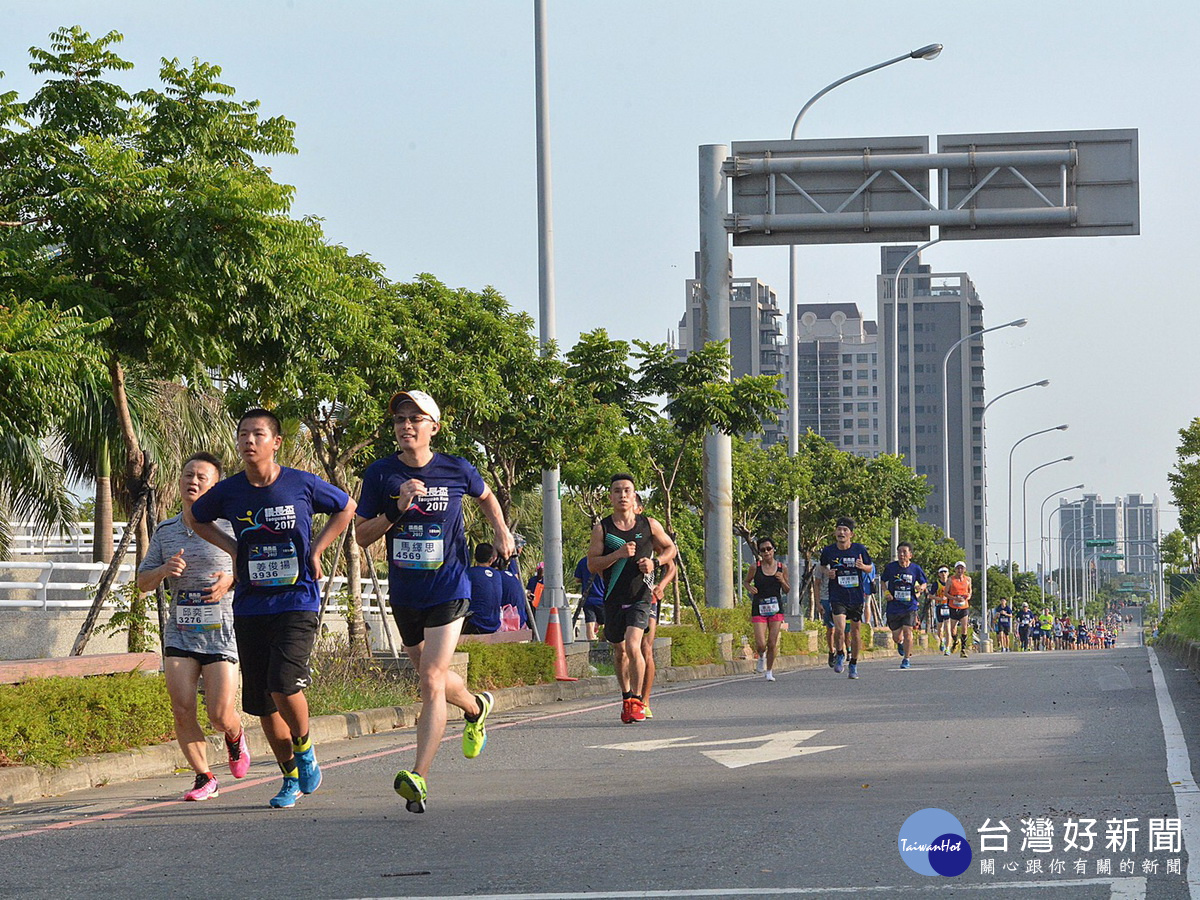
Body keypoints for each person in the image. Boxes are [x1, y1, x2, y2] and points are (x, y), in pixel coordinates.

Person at [355, 390, 514, 813]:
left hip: (449, 586)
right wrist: (397, 509)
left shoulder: (456, 468)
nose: (406, 426)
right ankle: (476, 706)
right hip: (406, 592)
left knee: (429, 679)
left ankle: (418, 777)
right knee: (435, 679)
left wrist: (501, 531)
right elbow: (362, 535)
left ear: (433, 427)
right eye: (399, 420)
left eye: (415, 418)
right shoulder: (380, 474)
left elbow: (485, 496)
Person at [192, 409, 355, 809]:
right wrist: (234, 549)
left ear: (275, 442)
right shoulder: (230, 491)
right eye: (243, 434)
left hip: (296, 599)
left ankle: (305, 749)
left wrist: (317, 549)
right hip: (250, 605)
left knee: (284, 681)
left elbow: (346, 506)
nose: (249, 441)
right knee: (265, 699)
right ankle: (289, 777)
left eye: (258, 434)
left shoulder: (300, 483)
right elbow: (195, 517)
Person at [137, 453, 247, 802]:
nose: (193, 482)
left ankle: (234, 734)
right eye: (188, 475)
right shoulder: (167, 531)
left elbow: (254, 570)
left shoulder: (231, 527)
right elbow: (142, 582)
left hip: (222, 632)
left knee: (218, 714)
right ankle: (204, 777)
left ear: (215, 486)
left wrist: (230, 580)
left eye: (202, 477)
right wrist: (163, 570)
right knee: (182, 707)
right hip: (180, 631)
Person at [587, 473, 675, 723]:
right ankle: (626, 696)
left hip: (641, 597)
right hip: (613, 597)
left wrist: (655, 562)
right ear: (610, 497)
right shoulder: (602, 528)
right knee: (619, 650)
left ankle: (637, 700)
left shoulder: (648, 525)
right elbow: (593, 564)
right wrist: (618, 554)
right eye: (617, 491)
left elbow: (671, 549)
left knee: (634, 643)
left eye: (627, 490)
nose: (622, 495)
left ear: (634, 495)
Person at [818, 517, 873, 680]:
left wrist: (863, 567)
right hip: (837, 595)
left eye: (845, 530)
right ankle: (840, 653)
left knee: (855, 631)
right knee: (840, 629)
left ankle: (854, 663)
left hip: (856, 596)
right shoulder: (829, 551)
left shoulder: (859, 550)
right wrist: (828, 572)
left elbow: (870, 568)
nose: (841, 533)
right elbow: (822, 566)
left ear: (851, 534)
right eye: (839, 529)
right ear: (835, 532)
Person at [745, 537, 790, 681]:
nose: (766, 552)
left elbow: (787, 590)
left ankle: (769, 671)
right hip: (759, 607)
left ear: (773, 550)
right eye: (763, 550)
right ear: (759, 552)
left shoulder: (782, 568)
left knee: (772, 642)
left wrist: (782, 580)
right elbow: (746, 581)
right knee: (761, 643)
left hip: (775, 608)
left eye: (769, 549)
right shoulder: (755, 567)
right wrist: (749, 588)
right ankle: (761, 656)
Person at [638, 552, 677, 717]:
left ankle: (644, 700)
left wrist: (660, 586)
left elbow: (671, 566)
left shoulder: (651, 532)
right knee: (624, 650)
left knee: (646, 648)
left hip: (648, 599)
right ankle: (630, 697)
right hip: (622, 598)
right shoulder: (615, 533)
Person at [880, 542, 926, 670]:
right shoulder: (891, 568)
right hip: (894, 606)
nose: (901, 555)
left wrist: (920, 588)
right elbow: (883, 581)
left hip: (909, 606)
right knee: (896, 636)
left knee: (908, 632)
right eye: (899, 552)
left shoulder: (915, 569)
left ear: (910, 555)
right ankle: (900, 643)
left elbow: (924, 583)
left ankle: (906, 659)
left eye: (904, 552)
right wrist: (886, 592)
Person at [463, 543, 503, 635]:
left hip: (474, 624)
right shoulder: (497, 575)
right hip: (494, 625)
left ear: (475, 556)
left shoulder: (468, 573)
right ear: (492, 559)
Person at [574, 554, 605, 641]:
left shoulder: (583, 561)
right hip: (602, 598)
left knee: (590, 623)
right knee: (604, 624)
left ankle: (591, 643)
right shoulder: (605, 561)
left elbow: (577, 579)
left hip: (588, 599)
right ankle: (603, 647)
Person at [946, 561, 973, 658]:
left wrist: (968, 596)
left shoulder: (968, 579)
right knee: (953, 628)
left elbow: (970, 591)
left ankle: (963, 649)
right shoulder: (950, 580)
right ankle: (955, 640)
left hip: (964, 606)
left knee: (964, 627)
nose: (960, 570)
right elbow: (946, 593)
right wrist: (954, 598)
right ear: (955, 569)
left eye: (962, 568)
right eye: (958, 568)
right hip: (953, 606)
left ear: (965, 570)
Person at [932, 566, 953, 655]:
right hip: (939, 606)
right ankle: (942, 641)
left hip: (948, 607)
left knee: (948, 628)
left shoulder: (951, 583)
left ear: (948, 573)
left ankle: (948, 648)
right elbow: (930, 595)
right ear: (939, 574)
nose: (943, 574)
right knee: (940, 629)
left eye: (945, 572)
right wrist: (938, 598)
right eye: (942, 572)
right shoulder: (936, 584)